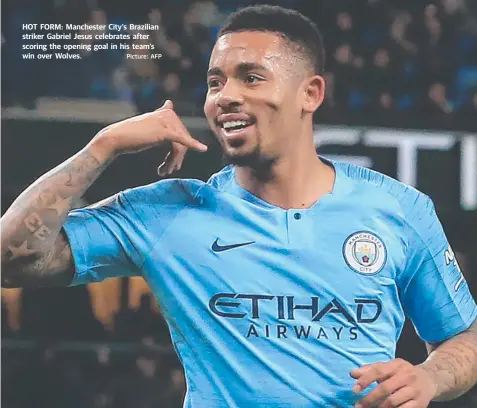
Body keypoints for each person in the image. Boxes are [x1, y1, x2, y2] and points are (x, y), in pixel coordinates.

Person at [2, 5, 477, 408]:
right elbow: (12, 258)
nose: (226, 96)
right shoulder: (168, 215)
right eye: (215, 82)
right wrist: (101, 147)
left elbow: (464, 337)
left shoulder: (398, 209)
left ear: (310, 93)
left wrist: (431, 377)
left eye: (251, 77)